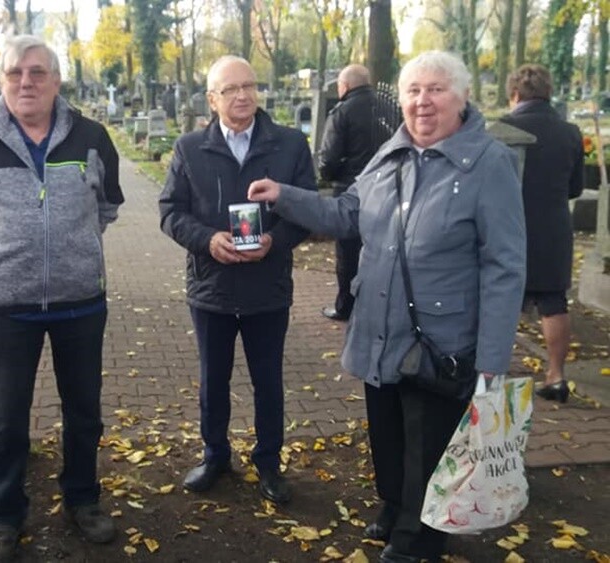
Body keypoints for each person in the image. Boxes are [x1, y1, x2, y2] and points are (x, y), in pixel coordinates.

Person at [246, 51, 525, 563]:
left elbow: (505, 267)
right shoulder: (389, 154)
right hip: (380, 330)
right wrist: (283, 195)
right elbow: (346, 213)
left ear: (461, 98)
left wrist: (492, 361)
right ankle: (396, 509)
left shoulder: (489, 165)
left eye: (436, 89)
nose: (423, 101)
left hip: (444, 343)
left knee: (429, 447)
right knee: (390, 439)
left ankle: (418, 543)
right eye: (413, 90)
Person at [0, 35, 123, 562]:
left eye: (38, 72)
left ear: (56, 80)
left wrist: (72, 251)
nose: (27, 82)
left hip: (81, 302)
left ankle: (83, 498)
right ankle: (3, 513)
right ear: (2, 80)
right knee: (6, 415)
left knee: (84, 411)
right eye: (16, 72)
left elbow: (108, 206)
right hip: (8, 307)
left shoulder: (90, 136)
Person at [159, 55, 315, 505]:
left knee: (268, 381)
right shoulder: (189, 148)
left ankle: (269, 463)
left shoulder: (289, 145)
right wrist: (207, 240)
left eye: (249, 86)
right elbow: (170, 212)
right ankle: (215, 455)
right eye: (230, 89)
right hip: (212, 288)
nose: (243, 95)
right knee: (214, 380)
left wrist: (276, 240)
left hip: (268, 287)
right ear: (212, 99)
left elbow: (306, 210)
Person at [501, 64, 584, 404]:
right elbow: (575, 188)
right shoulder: (570, 132)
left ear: (515, 95)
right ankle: (556, 377)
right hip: (553, 228)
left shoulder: (502, 129)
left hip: (509, 227)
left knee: (500, 300)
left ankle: (493, 376)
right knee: (553, 303)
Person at [317, 64, 377, 322]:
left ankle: (346, 306)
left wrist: (328, 175)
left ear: (345, 86)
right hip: (385, 188)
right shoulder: (387, 106)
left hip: (350, 188)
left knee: (348, 253)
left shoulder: (343, 112)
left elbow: (328, 159)